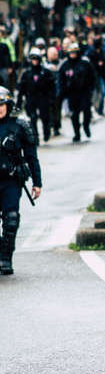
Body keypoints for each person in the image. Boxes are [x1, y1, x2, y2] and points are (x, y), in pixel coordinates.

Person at [0, 87, 42, 275]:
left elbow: (32, 156)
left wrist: (37, 182)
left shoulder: (20, 126)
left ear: (8, 105)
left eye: (1, 104)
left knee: (11, 220)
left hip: (11, 181)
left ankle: (5, 258)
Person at [57, 42, 95, 142]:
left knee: (87, 111)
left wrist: (90, 88)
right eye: (71, 53)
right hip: (72, 93)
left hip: (84, 91)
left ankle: (86, 126)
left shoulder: (85, 63)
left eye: (75, 53)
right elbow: (61, 79)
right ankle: (77, 133)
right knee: (74, 114)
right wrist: (62, 91)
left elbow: (92, 76)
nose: (73, 55)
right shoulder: (65, 65)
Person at [17, 47, 56, 144]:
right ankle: (36, 137)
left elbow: (52, 86)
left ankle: (46, 132)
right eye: (33, 59)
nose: (35, 61)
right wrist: (19, 102)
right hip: (31, 98)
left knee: (45, 117)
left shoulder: (45, 72)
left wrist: (52, 99)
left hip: (43, 97)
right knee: (32, 118)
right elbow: (21, 88)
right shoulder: (26, 73)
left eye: (36, 58)